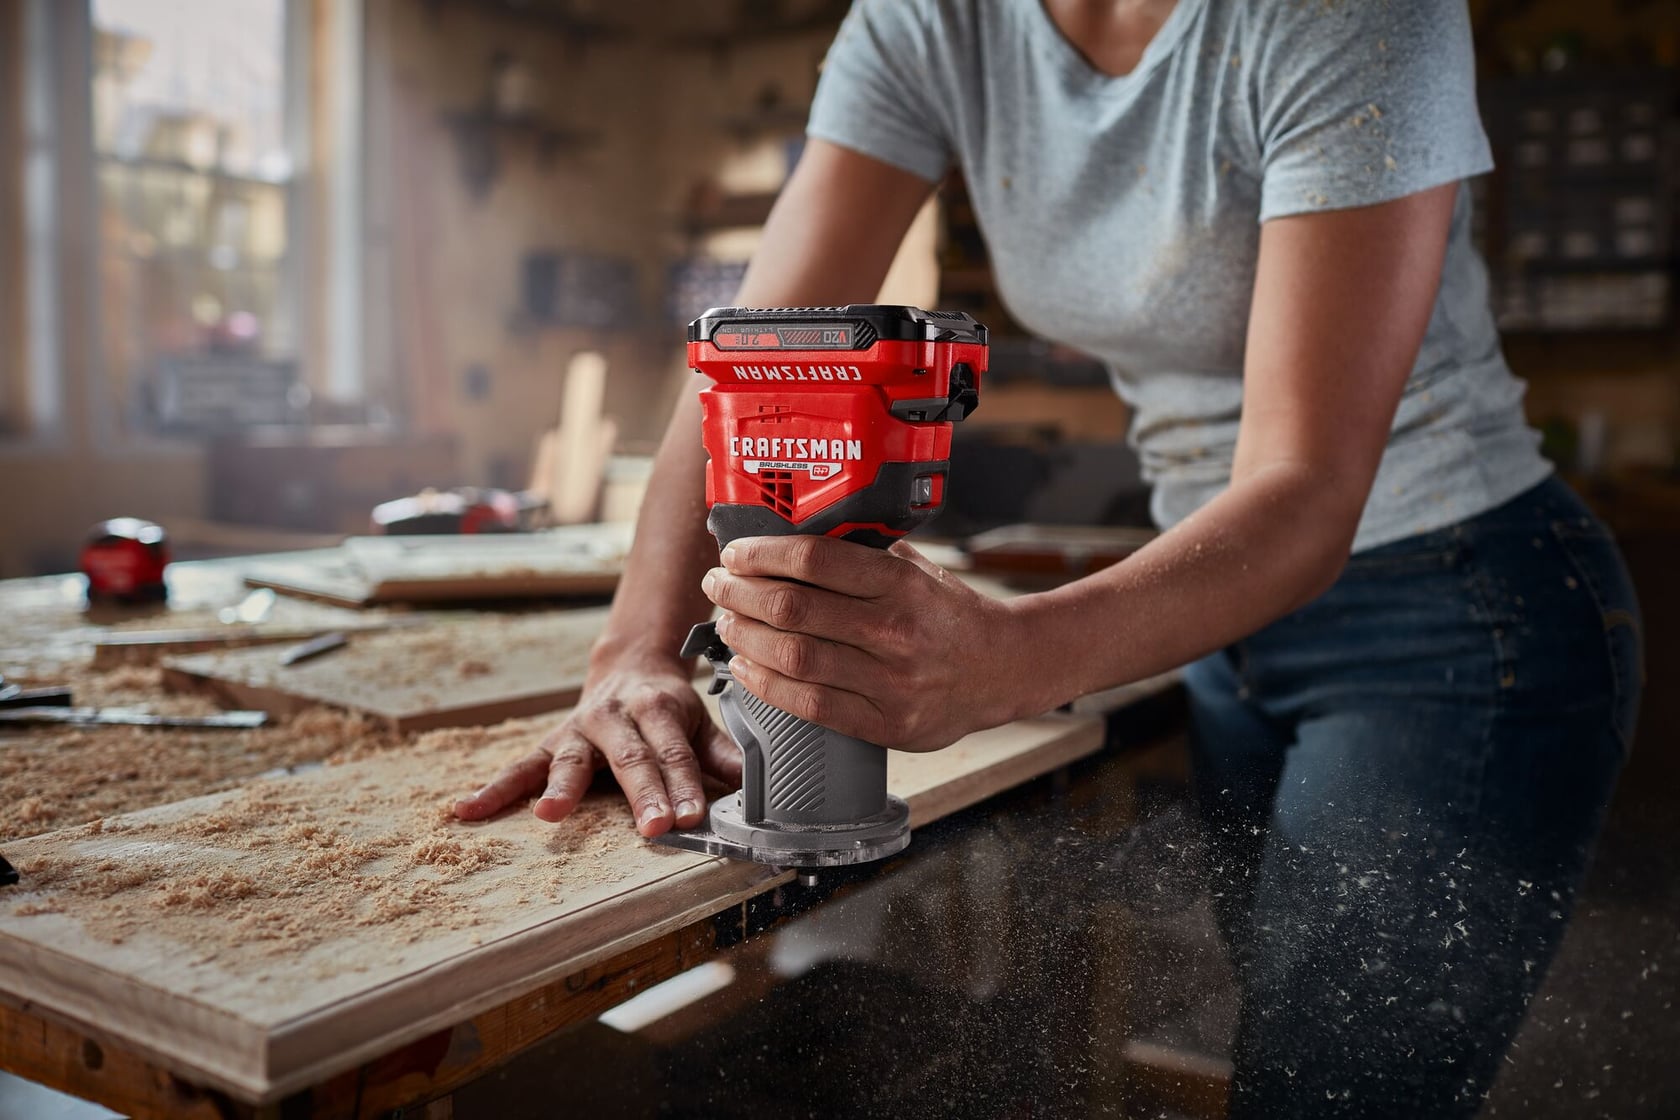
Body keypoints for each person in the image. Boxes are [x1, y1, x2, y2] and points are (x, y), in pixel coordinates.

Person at [455, 1, 1643, 1114]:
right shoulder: (932, 20)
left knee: (1333, 1093)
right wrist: (634, 649)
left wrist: (1007, 658)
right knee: (1286, 1056)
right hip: (1216, 606)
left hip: (1458, 608)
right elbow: (741, 363)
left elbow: (1307, 489)